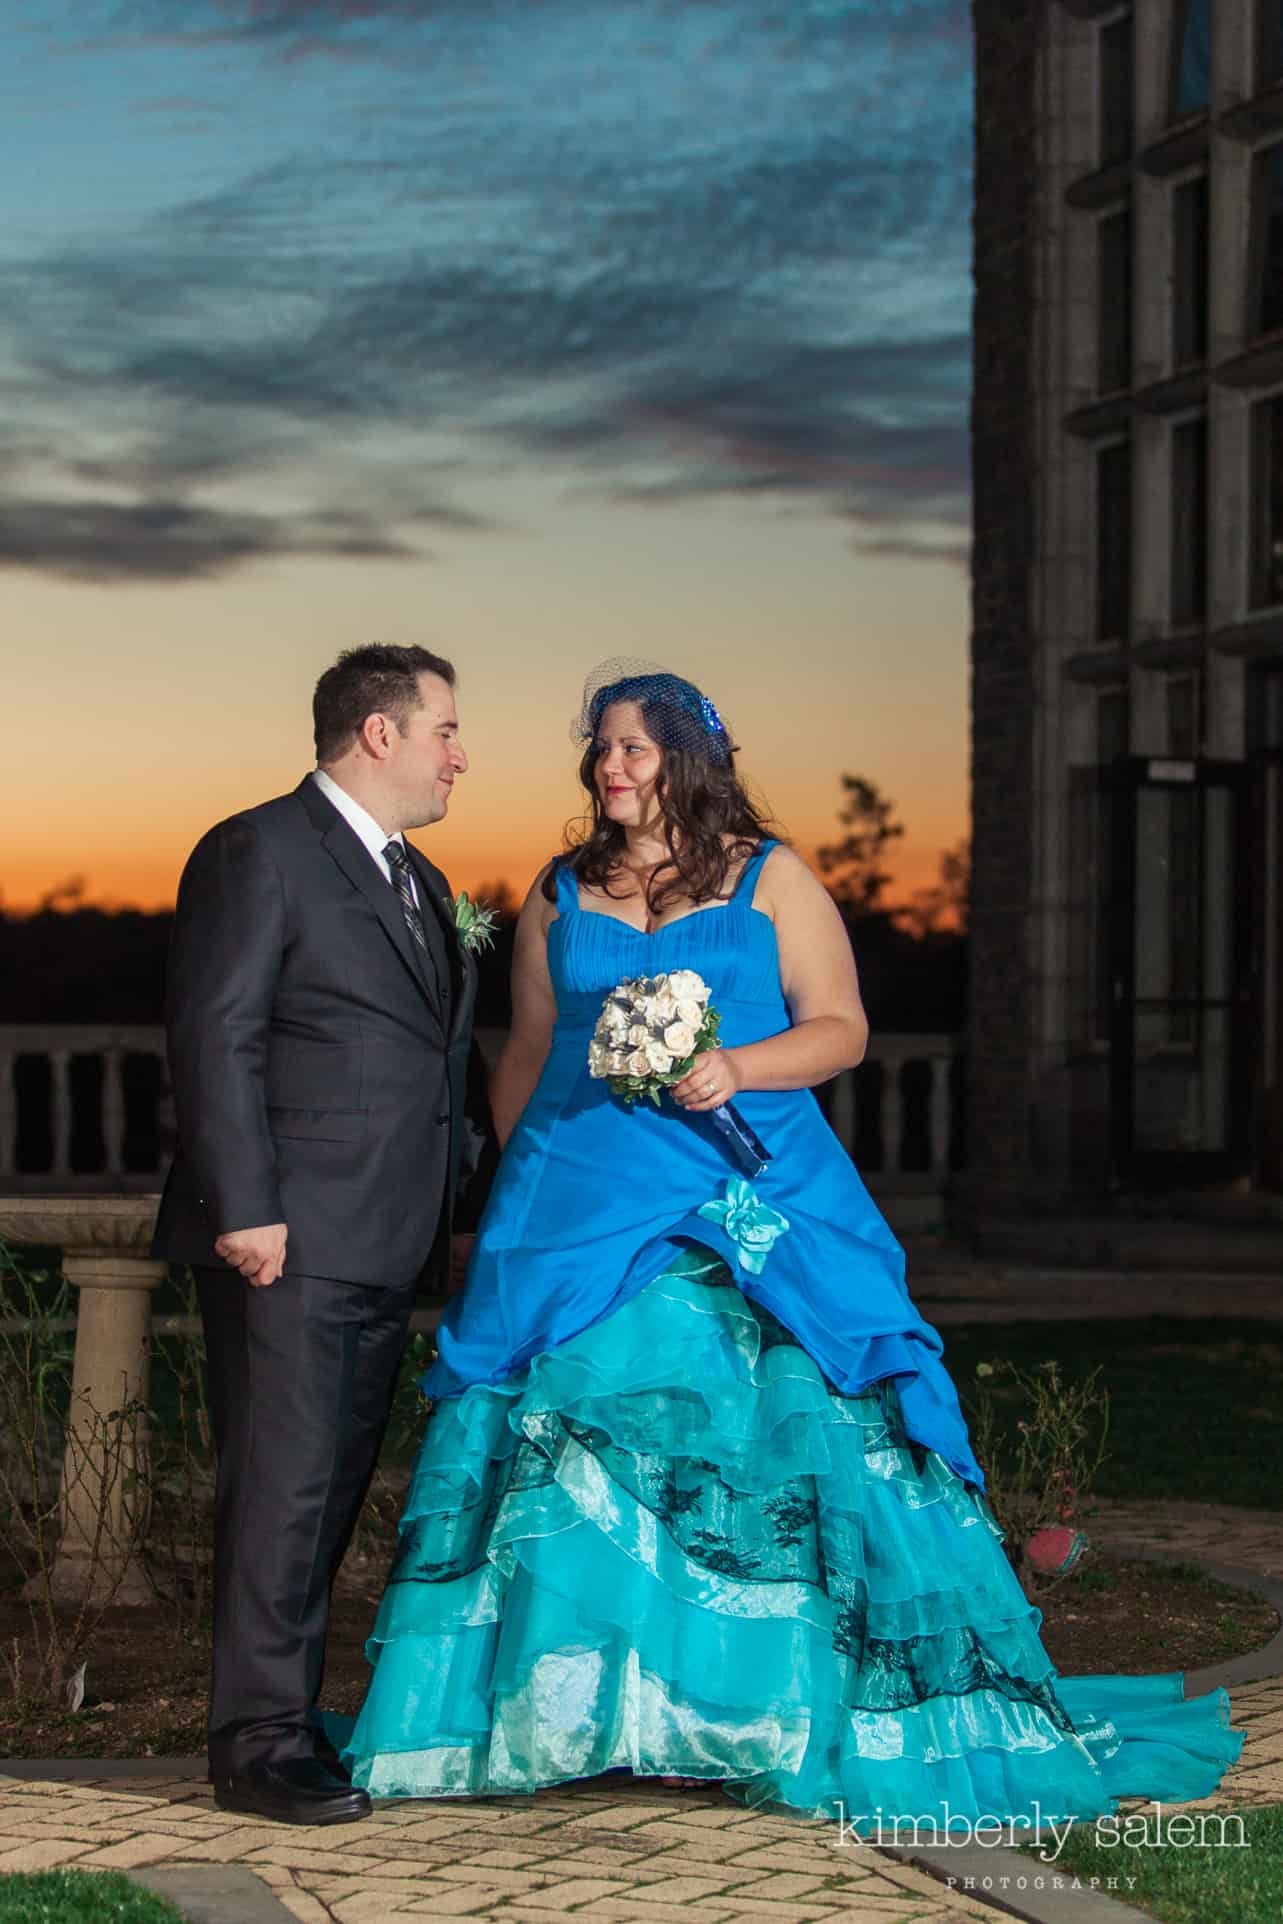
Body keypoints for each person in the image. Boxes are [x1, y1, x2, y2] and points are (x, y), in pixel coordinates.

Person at [337, 658, 1241, 1826]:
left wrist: (737, 1067)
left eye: (633, 747)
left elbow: (843, 1030)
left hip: (741, 1186)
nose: (609, 765)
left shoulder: (771, 879)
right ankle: (583, 1712)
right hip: (582, 1201)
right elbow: (527, 1051)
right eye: (600, 747)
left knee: (774, 1432)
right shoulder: (560, 893)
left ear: (688, 761)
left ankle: (742, 1711)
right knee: (570, 1442)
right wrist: (520, 1193)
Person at [153, 643, 475, 1827]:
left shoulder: (424, 885)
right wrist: (243, 1205)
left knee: (331, 1491)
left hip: (386, 1240)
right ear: (377, 735)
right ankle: (256, 1744)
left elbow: (431, 1062)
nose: (459, 753)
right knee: (279, 1491)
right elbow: (216, 1033)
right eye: (443, 728)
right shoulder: (258, 850)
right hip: (285, 1236)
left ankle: (291, 1717)